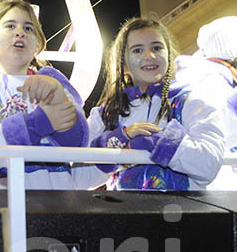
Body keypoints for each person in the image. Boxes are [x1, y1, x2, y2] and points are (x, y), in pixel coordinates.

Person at [80, 17, 225, 190]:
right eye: (137, 50)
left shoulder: (191, 102)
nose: (149, 56)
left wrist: (159, 142)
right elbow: (80, 177)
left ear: (168, 55)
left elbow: (208, 166)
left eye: (156, 48)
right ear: (123, 63)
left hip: (183, 213)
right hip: (124, 214)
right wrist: (119, 138)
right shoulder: (106, 113)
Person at [0, 0, 88, 188]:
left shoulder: (56, 85)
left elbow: (77, 144)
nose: (20, 32)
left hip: (55, 200)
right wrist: (39, 122)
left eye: (28, 28)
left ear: (37, 44)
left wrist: (59, 101)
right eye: (10, 26)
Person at [173, 16, 237, 190]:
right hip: (223, 192)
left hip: (236, 192)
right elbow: (223, 134)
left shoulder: (230, 87)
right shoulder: (211, 83)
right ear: (235, 55)